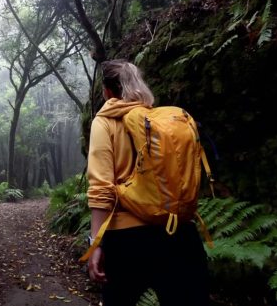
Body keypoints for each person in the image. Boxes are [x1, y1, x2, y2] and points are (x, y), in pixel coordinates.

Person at [86, 59, 209, 306]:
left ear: (108, 91)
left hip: (128, 241)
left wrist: (95, 244)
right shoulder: (162, 121)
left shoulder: (105, 121)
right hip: (179, 233)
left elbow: (101, 188)